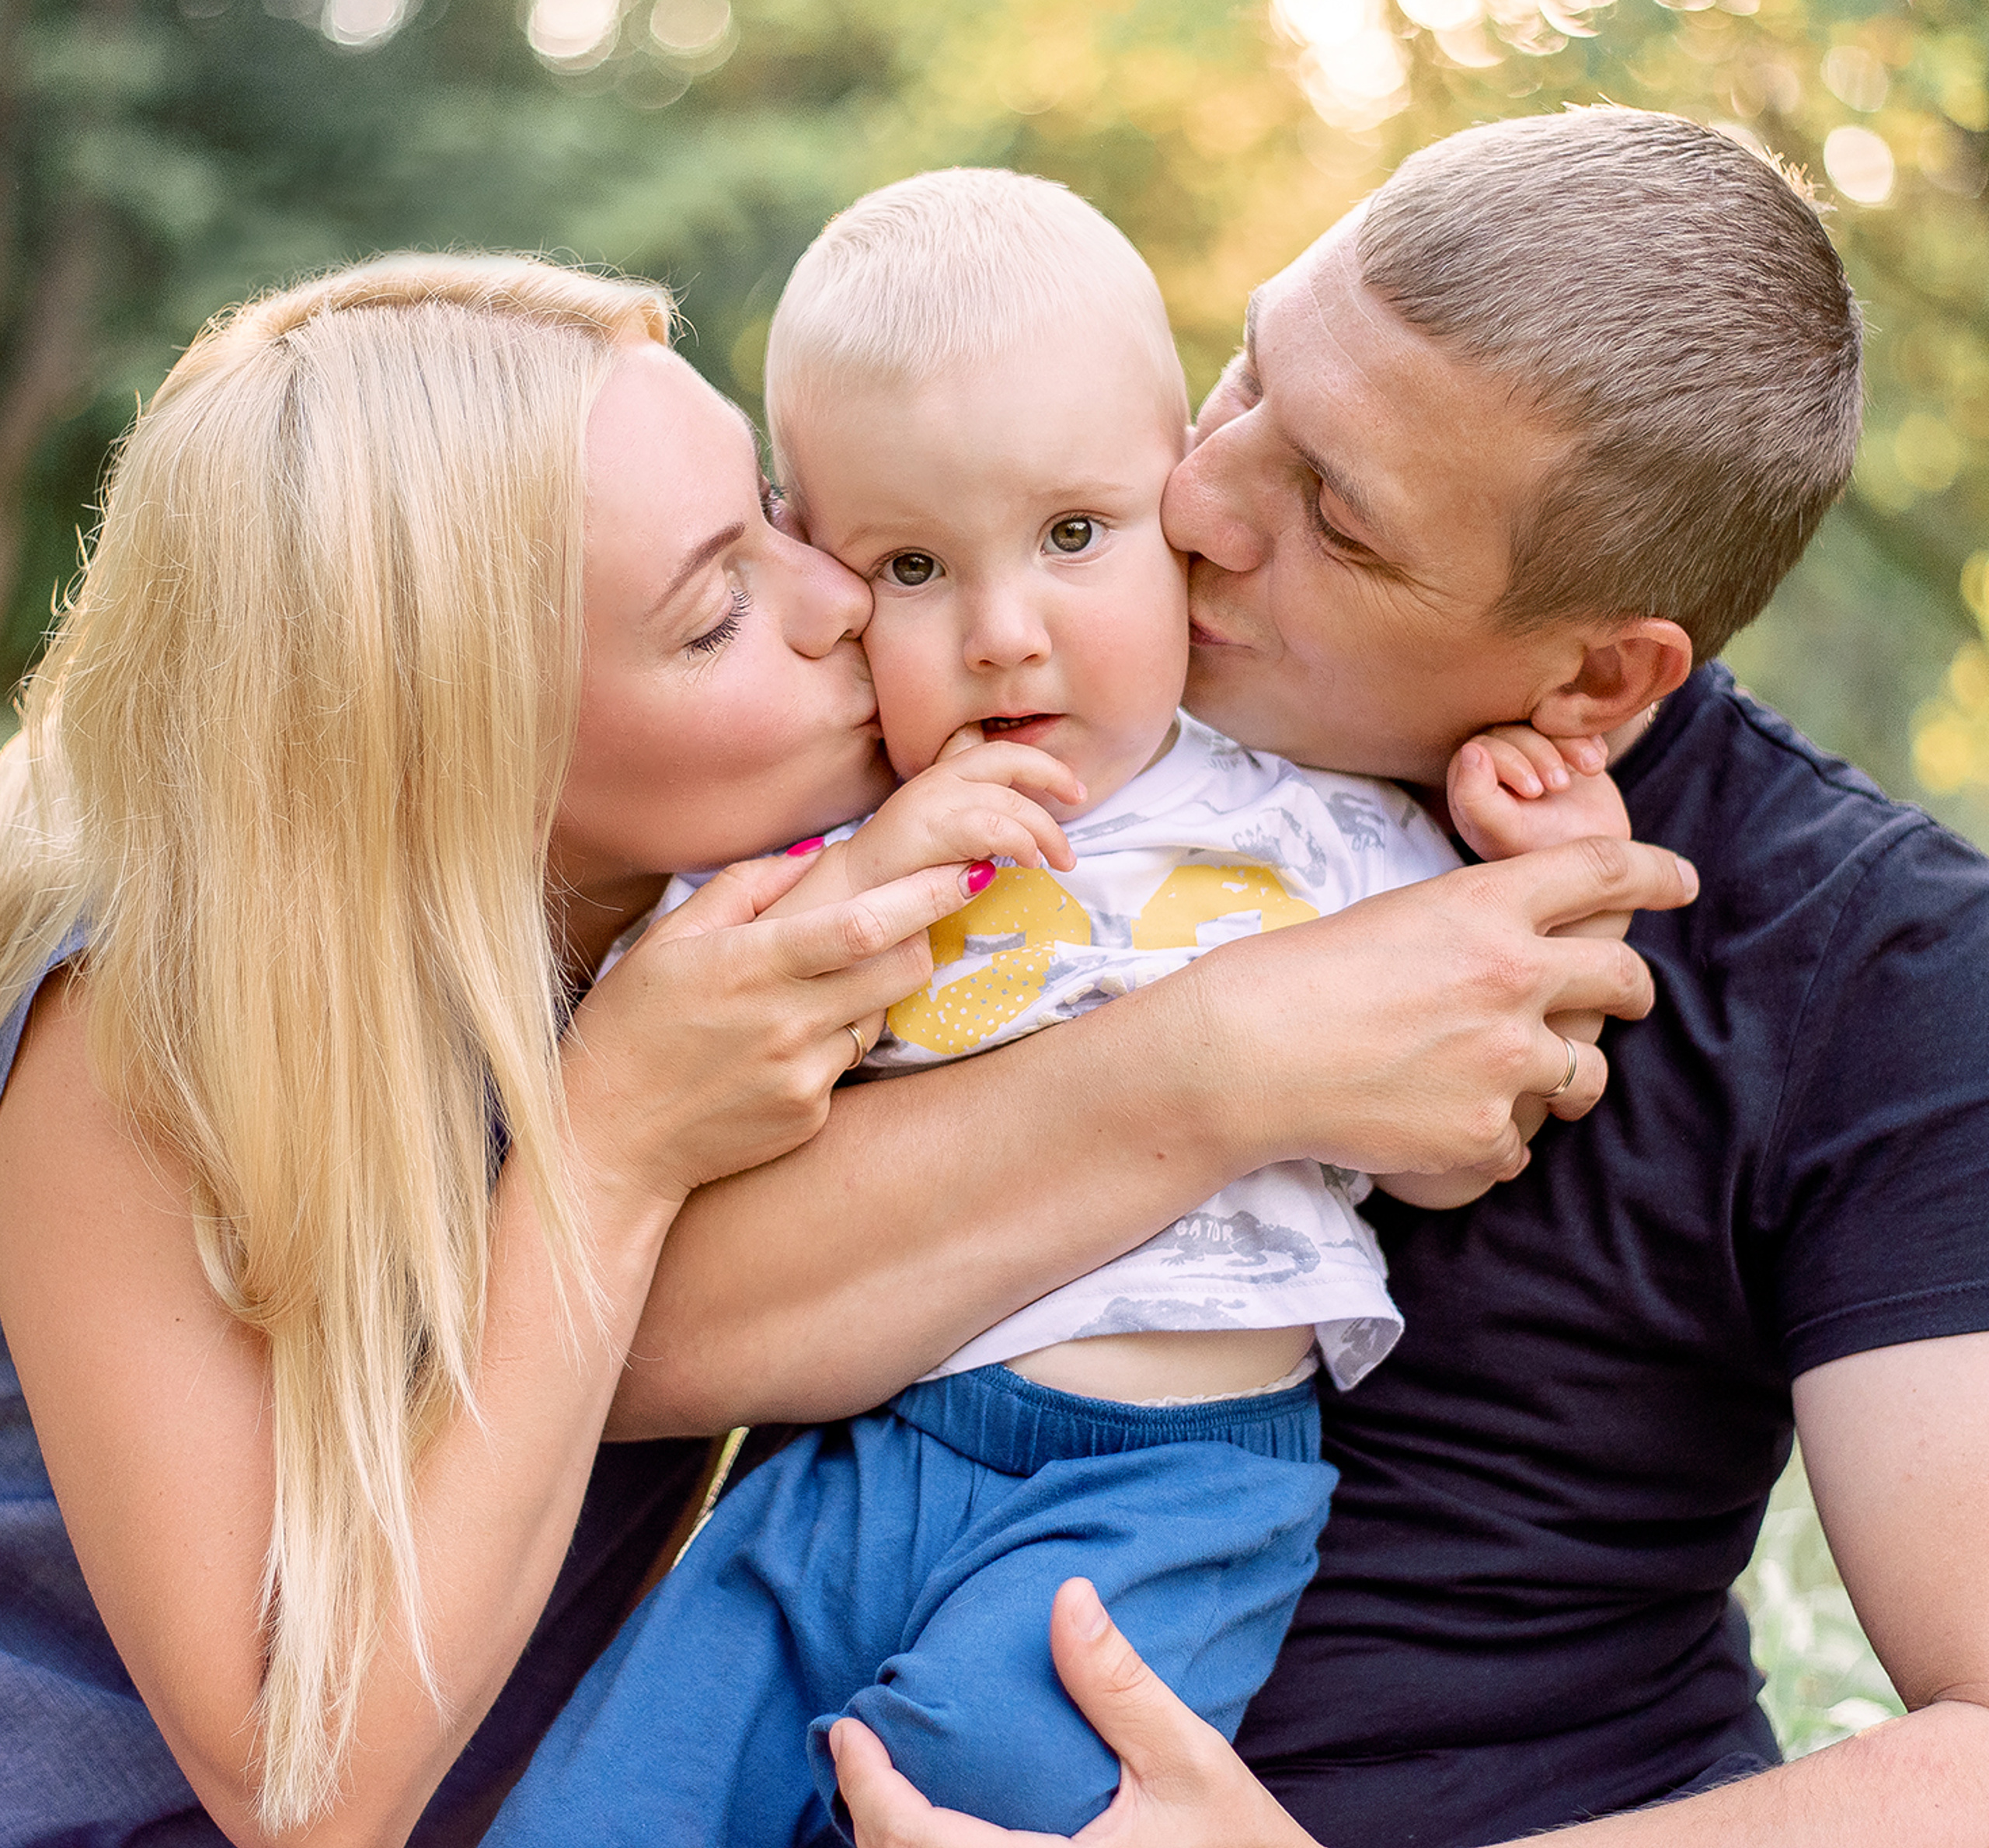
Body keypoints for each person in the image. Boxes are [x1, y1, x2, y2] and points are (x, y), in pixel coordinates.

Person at [0, 248, 1681, 1847]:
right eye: (713, 608)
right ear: (460, 756)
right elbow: (304, 1791)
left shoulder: (764, 893)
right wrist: (610, 1142)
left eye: (777, 520)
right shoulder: (134, 1037)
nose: (839, 605)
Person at [623, 110, 1989, 1847]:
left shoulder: (1873, 961)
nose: (1194, 503)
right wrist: (1220, 1064)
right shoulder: (974, 691)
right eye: (1247, 377)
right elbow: (606, 1340)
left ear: (1596, 672)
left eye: (1331, 518)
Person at [487, 169, 1635, 1844]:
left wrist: (1566, 851)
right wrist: (872, 858)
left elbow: (1465, 1132)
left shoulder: (1328, 819)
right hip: (848, 1450)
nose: (1005, 631)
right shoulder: (823, 836)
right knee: (608, 1800)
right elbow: (696, 1080)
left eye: (1073, 535)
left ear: (1176, 493)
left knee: (998, 1784)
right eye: (907, 563)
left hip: (1171, 1471)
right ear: (815, 552)